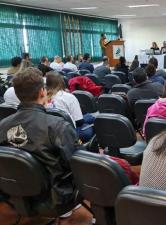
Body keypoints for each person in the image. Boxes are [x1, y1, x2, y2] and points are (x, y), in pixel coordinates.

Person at [0, 67, 80, 214]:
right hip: (54, 199)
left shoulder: (2, 125)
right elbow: (76, 166)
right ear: (42, 92)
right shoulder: (58, 126)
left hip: (14, 194)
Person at [46, 72, 95, 142]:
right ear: (62, 82)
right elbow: (79, 122)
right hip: (68, 132)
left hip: (52, 131)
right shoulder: (68, 97)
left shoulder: (42, 98)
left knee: (89, 117)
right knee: (91, 118)